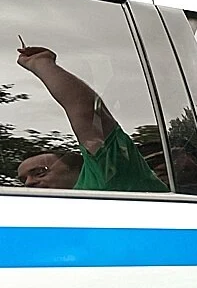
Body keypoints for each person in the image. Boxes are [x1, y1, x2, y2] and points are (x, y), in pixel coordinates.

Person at [13, 46, 169, 193]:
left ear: (82, 169)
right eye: (23, 180)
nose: (29, 183)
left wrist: (41, 63)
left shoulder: (108, 176)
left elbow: (86, 111)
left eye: (40, 172)